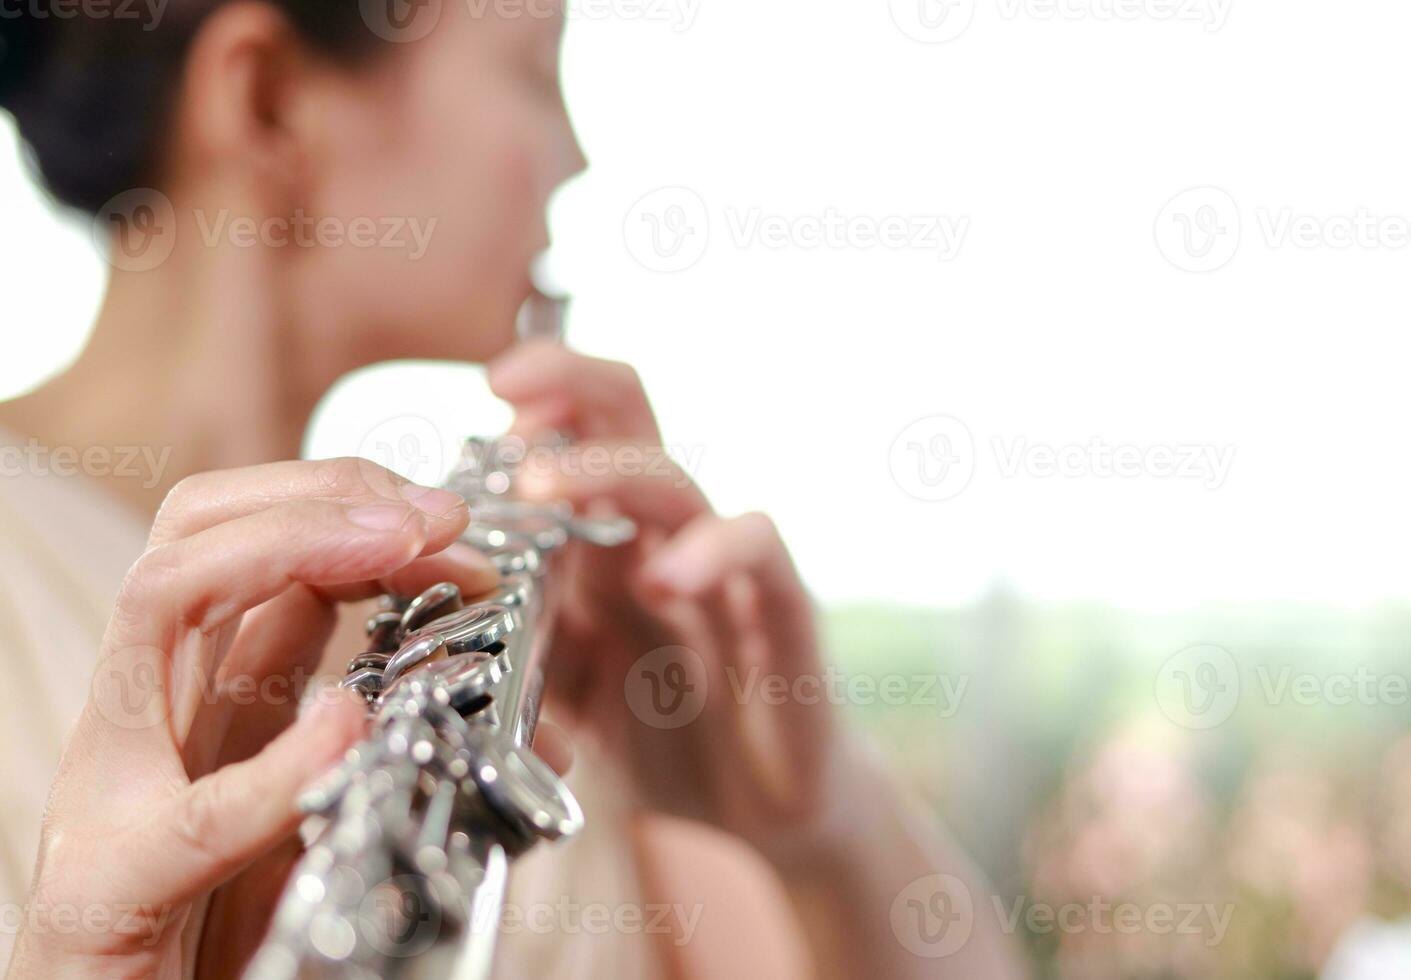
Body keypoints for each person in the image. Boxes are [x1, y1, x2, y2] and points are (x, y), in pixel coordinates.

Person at [0, 2, 1023, 977]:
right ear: (267, 96)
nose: (576, 154)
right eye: (536, 67)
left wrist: (818, 824)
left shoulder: (509, 631)